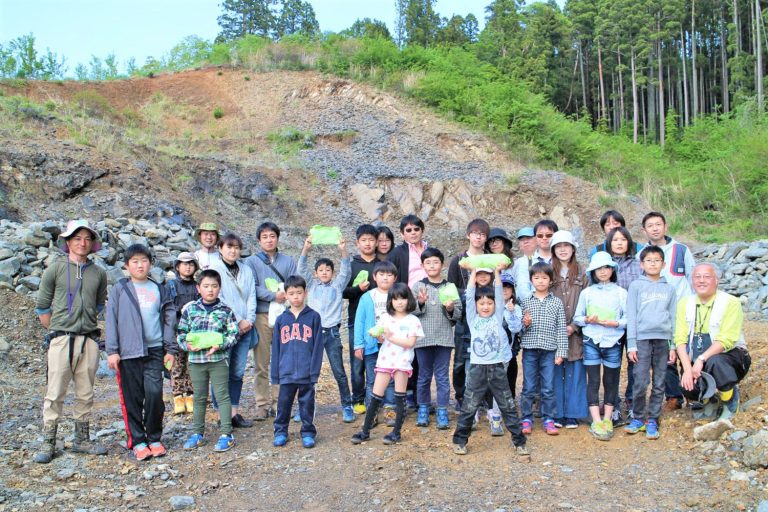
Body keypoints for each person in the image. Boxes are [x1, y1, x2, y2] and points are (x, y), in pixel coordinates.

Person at [33, 219, 109, 464]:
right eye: (77, 238)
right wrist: (57, 328)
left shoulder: (98, 272)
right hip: (61, 339)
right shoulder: (55, 268)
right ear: (67, 242)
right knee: (55, 391)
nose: (82, 243)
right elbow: (43, 306)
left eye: (87, 238)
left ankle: (81, 439)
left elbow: (99, 303)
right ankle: (49, 440)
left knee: (85, 391)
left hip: (89, 339)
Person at [106, 244, 177, 461]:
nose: (140, 265)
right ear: (127, 265)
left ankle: (154, 437)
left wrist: (170, 349)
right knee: (132, 398)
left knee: (154, 393)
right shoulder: (120, 288)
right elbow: (111, 319)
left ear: (151, 263)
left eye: (144, 261)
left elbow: (169, 320)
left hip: (155, 350)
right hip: (128, 352)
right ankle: (138, 441)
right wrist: (112, 350)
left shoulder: (159, 289)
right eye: (135, 261)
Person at [451, 263, 529, 459]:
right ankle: (460, 441)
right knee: (469, 405)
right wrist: (474, 273)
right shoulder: (472, 319)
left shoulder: (498, 316)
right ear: (476, 306)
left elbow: (498, 291)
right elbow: (470, 295)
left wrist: (496, 272)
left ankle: (519, 442)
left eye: (489, 303)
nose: (485, 306)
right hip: (477, 368)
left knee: (508, 405)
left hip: (497, 368)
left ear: (496, 304)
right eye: (482, 303)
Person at [674, 263, 751, 421]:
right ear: (692, 281)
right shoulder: (684, 303)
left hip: (730, 358)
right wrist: (688, 369)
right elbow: (680, 339)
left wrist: (701, 359)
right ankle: (710, 400)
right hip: (697, 359)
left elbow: (726, 340)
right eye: (697, 277)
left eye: (707, 277)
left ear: (717, 280)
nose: (701, 281)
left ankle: (729, 399)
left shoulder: (730, 302)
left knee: (715, 362)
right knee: (687, 384)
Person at [352, 283, 424, 445]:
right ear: (390, 301)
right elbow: (382, 338)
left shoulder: (413, 320)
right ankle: (365, 431)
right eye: (395, 299)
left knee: (400, 397)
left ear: (409, 300)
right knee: (376, 396)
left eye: (403, 298)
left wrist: (390, 337)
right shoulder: (385, 318)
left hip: (402, 362)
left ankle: (396, 432)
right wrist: (378, 336)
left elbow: (410, 343)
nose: (399, 302)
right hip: (385, 360)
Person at [178, 269, 239, 452]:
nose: (210, 290)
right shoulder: (190, 310)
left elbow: (233, 334)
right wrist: (187, 345)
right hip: (196, 361)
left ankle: (226, 434)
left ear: (219, 288)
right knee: (199, 397)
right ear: (198, 288)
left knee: (222, 395)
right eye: (206, 286)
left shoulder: (226, 311)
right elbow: (181, 333)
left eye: (214, 286)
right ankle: (198, 433)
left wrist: (220, 345)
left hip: (219, 359)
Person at [641, 211, 695, 412]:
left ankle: (693, 393)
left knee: (687, 351)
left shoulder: (681, 250)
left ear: (665, 226)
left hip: (684, 309)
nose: (655, 228)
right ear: (644, 230)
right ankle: (673, 396)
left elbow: (692, 276)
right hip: (659, 312)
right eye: (650, 225)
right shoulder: (643, 252)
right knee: (665, 355)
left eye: (658, 224)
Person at [297, 234, 354, 422]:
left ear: (332, 272)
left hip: (332, 333)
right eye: (320, 270)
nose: (324, 272)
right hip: (312, 334)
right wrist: (306, 247)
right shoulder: (311, 286)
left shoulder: (337, 286)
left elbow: (346, 270)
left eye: (328, 270)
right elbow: (301, 268)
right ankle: (304, 409)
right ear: (315, 273)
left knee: (339, 372)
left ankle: (347, 406)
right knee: (308, 373)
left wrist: (343, 249)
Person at [624, 246, 677, 440]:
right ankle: (638, 417)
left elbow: (673, 317)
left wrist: (673, 346)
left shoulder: (669, 288)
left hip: (663, 339)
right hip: (642, 339)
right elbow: (631, 315)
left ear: (663, 264)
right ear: (642, 264)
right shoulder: (636, 286)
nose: (653, 263)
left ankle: (653, 418)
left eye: (657, 260)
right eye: (649, 260)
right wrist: (631, 344)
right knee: (640, 380)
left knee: (660, 381)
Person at [245, 221, 297, 421]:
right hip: (262, 315)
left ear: (278, 238)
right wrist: (272, 295)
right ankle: (262, 404)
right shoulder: (251, 262)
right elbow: (252, 287)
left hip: (285, 315)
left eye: (272, 236)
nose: (269, 240)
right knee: (261, 362)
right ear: (259, 240)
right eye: (265, 237)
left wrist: (287, 296)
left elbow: (295, 283)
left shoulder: (288, 261)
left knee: (283, 361)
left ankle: (280, 402)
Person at [574, 252, 627, 441]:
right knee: (593, 380)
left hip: (613, 340)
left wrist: (615, 324)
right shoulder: (587, 293)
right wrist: (588, 319)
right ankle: (596, 419)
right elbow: (577, 318)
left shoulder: (621, 293)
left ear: (612, 270)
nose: (603, 272)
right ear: (593, 272)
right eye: (599, 269)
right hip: (592, 339)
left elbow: (628, 319)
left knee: (611, 379)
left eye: (606, 268)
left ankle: (608, 418)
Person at [271, 276, 326, 448]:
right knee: (283, 403)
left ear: (305, 293)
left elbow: (318, 347)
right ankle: (280, 431)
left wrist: (314, 371)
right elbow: (276, 348)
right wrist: (275, 373)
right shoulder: (281, 319)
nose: (296, 297)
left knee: (307, 404)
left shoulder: (314, 317)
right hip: (286, 370)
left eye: (299, 293)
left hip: (306, 371)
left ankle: (308, 432)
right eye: (291, 293)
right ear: (285, 295)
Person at [411, 248, 462, 429]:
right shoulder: (417, 286)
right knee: (423, 376)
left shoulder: (449, 287)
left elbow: (458, 313)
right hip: (422, 339)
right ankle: (423, 408)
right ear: (422, 265)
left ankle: (442, 410)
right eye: (428, 262)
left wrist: (449, 308)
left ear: (442, 264)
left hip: (444, 338)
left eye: (435, 262)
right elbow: (411, 311)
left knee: (442, 376)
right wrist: (421, 302)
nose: (432, 266)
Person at [210, 233, 257, 428]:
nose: (233, 250)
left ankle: (234, 412)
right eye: (229, 247)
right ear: (220, 248)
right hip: (224, 328)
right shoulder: (214, 269)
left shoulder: (246, 269)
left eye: (236, 247)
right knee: (221, 371)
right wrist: (238, 320)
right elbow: (218, 297)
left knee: (237, 372)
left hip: (245, 328)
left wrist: (249, 320)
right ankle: (222, 415)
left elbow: (251, 295)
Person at [518, 262, 568, 436]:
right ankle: (526, 418)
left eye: (544, 278)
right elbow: (519, 329)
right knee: (529, 386)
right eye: (536, 278)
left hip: (549, 351)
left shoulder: (556, 303)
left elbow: (561, 328)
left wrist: (561, 352)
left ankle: (549, 419)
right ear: (531, 280)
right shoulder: (525, 302)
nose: (540, 281)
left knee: (548, 387)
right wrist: (524, 325)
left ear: (551, 280)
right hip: (530, 349)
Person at [447, 218, 490, 410]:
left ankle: (483, 397)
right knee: (460, 360)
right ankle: (461, 397)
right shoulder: (458, 260)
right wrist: (468, 294)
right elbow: (451, 287)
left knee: (485, 356)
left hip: (486, 315)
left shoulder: (489, 258)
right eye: (475, 233)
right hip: (464, 316)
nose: (478, 237)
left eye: (482, 234)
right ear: (468, 235)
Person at [387, 214, 429, 409]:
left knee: (423, 348)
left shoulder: (429, 249)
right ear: (403, 234)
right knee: (407, 348)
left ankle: (422, 395)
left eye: (416, 229)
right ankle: (407, 393)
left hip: (428, 304)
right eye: (408, 230)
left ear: (422, 230)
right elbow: (390, 277)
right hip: (407, 305)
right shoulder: (398, 253)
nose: (413, 233)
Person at [549, 231, 589, 429]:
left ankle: (573, 413)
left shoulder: (583, 272)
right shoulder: (548, 271)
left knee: (575, 370)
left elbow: (588, 300)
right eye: (558, 246)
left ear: (573, 248)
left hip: (577, 331)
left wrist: (574, 326)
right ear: (553, 250)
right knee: (555, 370)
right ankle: (556, 412)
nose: (563, 249)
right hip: (553, 331)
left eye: (566, 245)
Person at [606, 226, 643, 425]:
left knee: (634, 362)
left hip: (634, 320)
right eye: (615, 240)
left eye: (623, 239)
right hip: (610, 322)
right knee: (613, 364)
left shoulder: (638, 264)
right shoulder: (605, 265)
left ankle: (633, 401)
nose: (619, 243)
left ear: (629, 242)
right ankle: (613, 405)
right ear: (609, 243)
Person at [343, 224, 380, 414]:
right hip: (355, 320)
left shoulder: (382, 264)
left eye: (371, 240)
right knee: (357, 361)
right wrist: (358, 289)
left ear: (376, 242)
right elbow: (342, 292)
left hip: (380, 322)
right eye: (364, 240)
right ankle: (357, 399)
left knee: (378, 361)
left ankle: (376, 397)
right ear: (357, 243)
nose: (368, 243)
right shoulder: (352, 265)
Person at [353, 260, 398, 416]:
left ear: (395, 278)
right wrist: (358, 344)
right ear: (374, 277)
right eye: (381, 274)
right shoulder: (367, 297)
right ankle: (372, 410)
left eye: (389, 275)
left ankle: (390, 409)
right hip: (372, 345)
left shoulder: (398, 297)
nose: (385, 278)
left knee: (391, 378)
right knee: (372, 378)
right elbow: (359, 321)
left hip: (393, 346)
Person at [166, 252, 200, 415]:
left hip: (195, 333)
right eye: (184, 263)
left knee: (193, 365)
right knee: (177, 366)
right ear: (177, 266)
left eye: (191, 264)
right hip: (176, 331)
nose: (188, 266)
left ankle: (192, 396)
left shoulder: (198, 285)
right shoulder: (171, 285)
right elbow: (166, 309)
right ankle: (178, 397)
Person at [515, 220, 559, 302]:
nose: (544, 238)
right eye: (540, 235)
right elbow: (523, 289)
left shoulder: (561, 260)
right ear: (535, 238)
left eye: (549, 235)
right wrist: (538, 307)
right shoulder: (527, 262)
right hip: (534, 310)